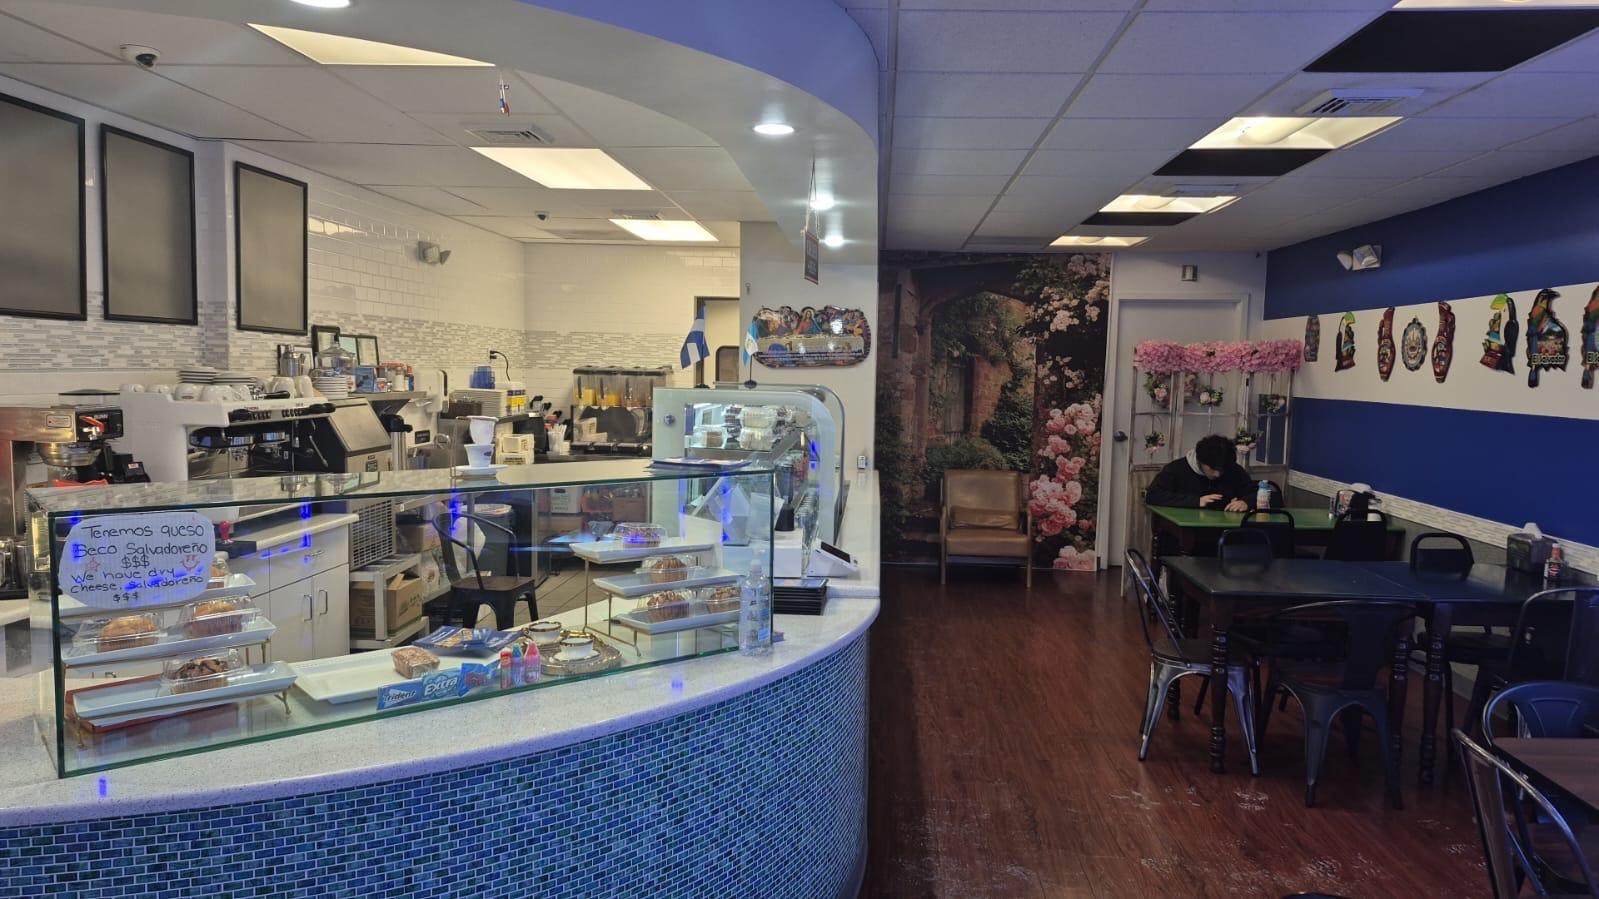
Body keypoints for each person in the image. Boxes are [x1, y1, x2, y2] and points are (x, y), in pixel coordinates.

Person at [1145, 434, 1256, 512]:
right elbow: (1153, 495)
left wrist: (1246, 502)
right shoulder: (1176, 469)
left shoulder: (1233, 469)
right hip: (1184, 530)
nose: (1217, 474)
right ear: (1200, 461)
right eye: (1212, 468)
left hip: (1224, 529)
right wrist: (1196, 501)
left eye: (1222, 470)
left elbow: (1256, 493)